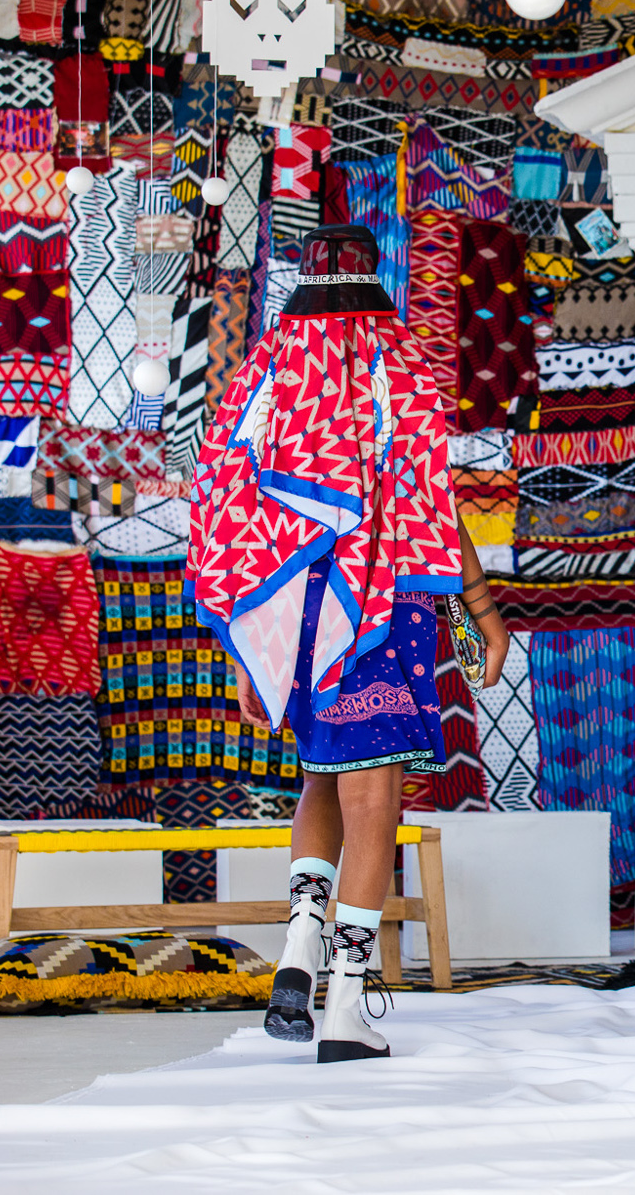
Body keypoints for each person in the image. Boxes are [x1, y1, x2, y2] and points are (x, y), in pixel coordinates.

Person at [185, 224, 510, 1063]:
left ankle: (299, 946)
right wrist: (480, 607)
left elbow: (222, 515)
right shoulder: (398, 367)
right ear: (373, 273)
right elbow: (429, 502)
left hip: (293, 619)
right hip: (381, 609)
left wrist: (245, 647)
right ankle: (348, 1005)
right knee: (375, 803)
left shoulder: (260, 377)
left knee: (320, 781)